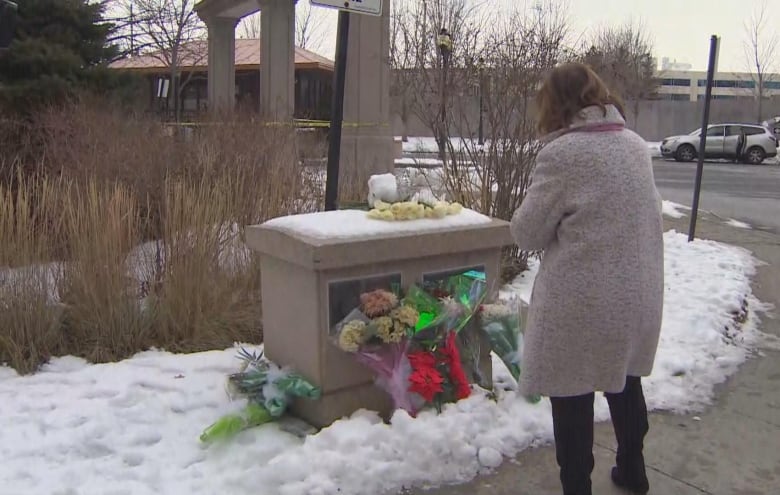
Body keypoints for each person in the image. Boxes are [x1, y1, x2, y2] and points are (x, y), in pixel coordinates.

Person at [510, 62, 663, 495]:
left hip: (582, 300)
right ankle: (633, 470)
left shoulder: (562, 154)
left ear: (553, 103)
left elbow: (528, 232)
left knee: (571, 392)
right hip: (636, 294)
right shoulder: (635, 145)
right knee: (624, 379)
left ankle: (576, 486)